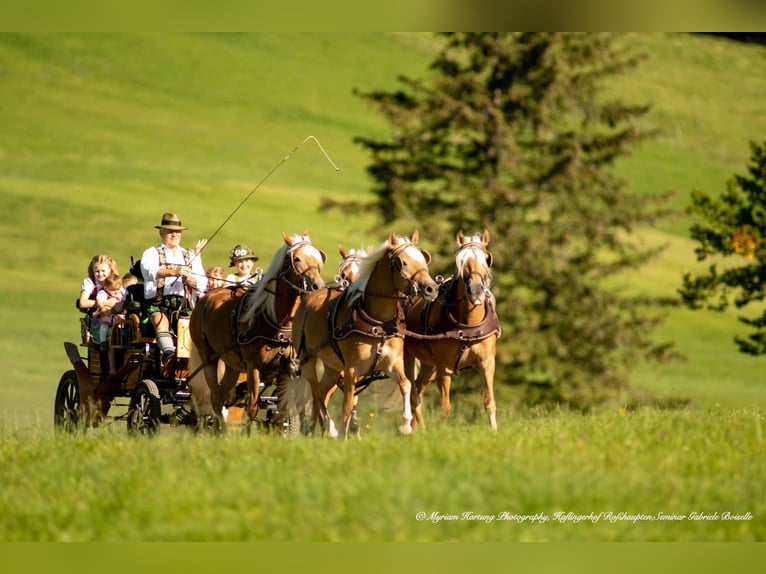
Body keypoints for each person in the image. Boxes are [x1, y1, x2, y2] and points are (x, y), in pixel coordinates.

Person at [140, 212, 207, 362]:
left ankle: (192, 360)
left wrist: (191, 281)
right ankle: (169, 355)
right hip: (158, 303)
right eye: (170, 231)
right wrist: (176, 271)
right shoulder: (151, 253)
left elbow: (202, 283)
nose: (174, 234)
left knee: (195, 326)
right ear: (161, 232)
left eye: (177, 231)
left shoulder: (190, 255)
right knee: (159, 320)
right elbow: (149, 272)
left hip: (184, 305)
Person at [92, 273, 126, 374]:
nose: (116, 293)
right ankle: (103, 342)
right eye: (113, 290)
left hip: (117, 317)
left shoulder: (121, 292)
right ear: (106, 287)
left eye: (117, 289)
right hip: (106, 316)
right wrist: (111, 302)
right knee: (104, 326)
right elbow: (100, 303)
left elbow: (125, 297)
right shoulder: (103, 293)